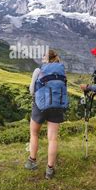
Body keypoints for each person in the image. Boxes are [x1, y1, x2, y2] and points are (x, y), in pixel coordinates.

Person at [25, 49, 67, 179]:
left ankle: (32, 161)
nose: (42, 58)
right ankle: (49, 170)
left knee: (34, 133)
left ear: (47, 58)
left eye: (43, 56)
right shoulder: (61, 71)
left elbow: (32, 90)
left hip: (40, 106)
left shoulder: (38, 70)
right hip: (57, 106)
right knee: (53, 138)